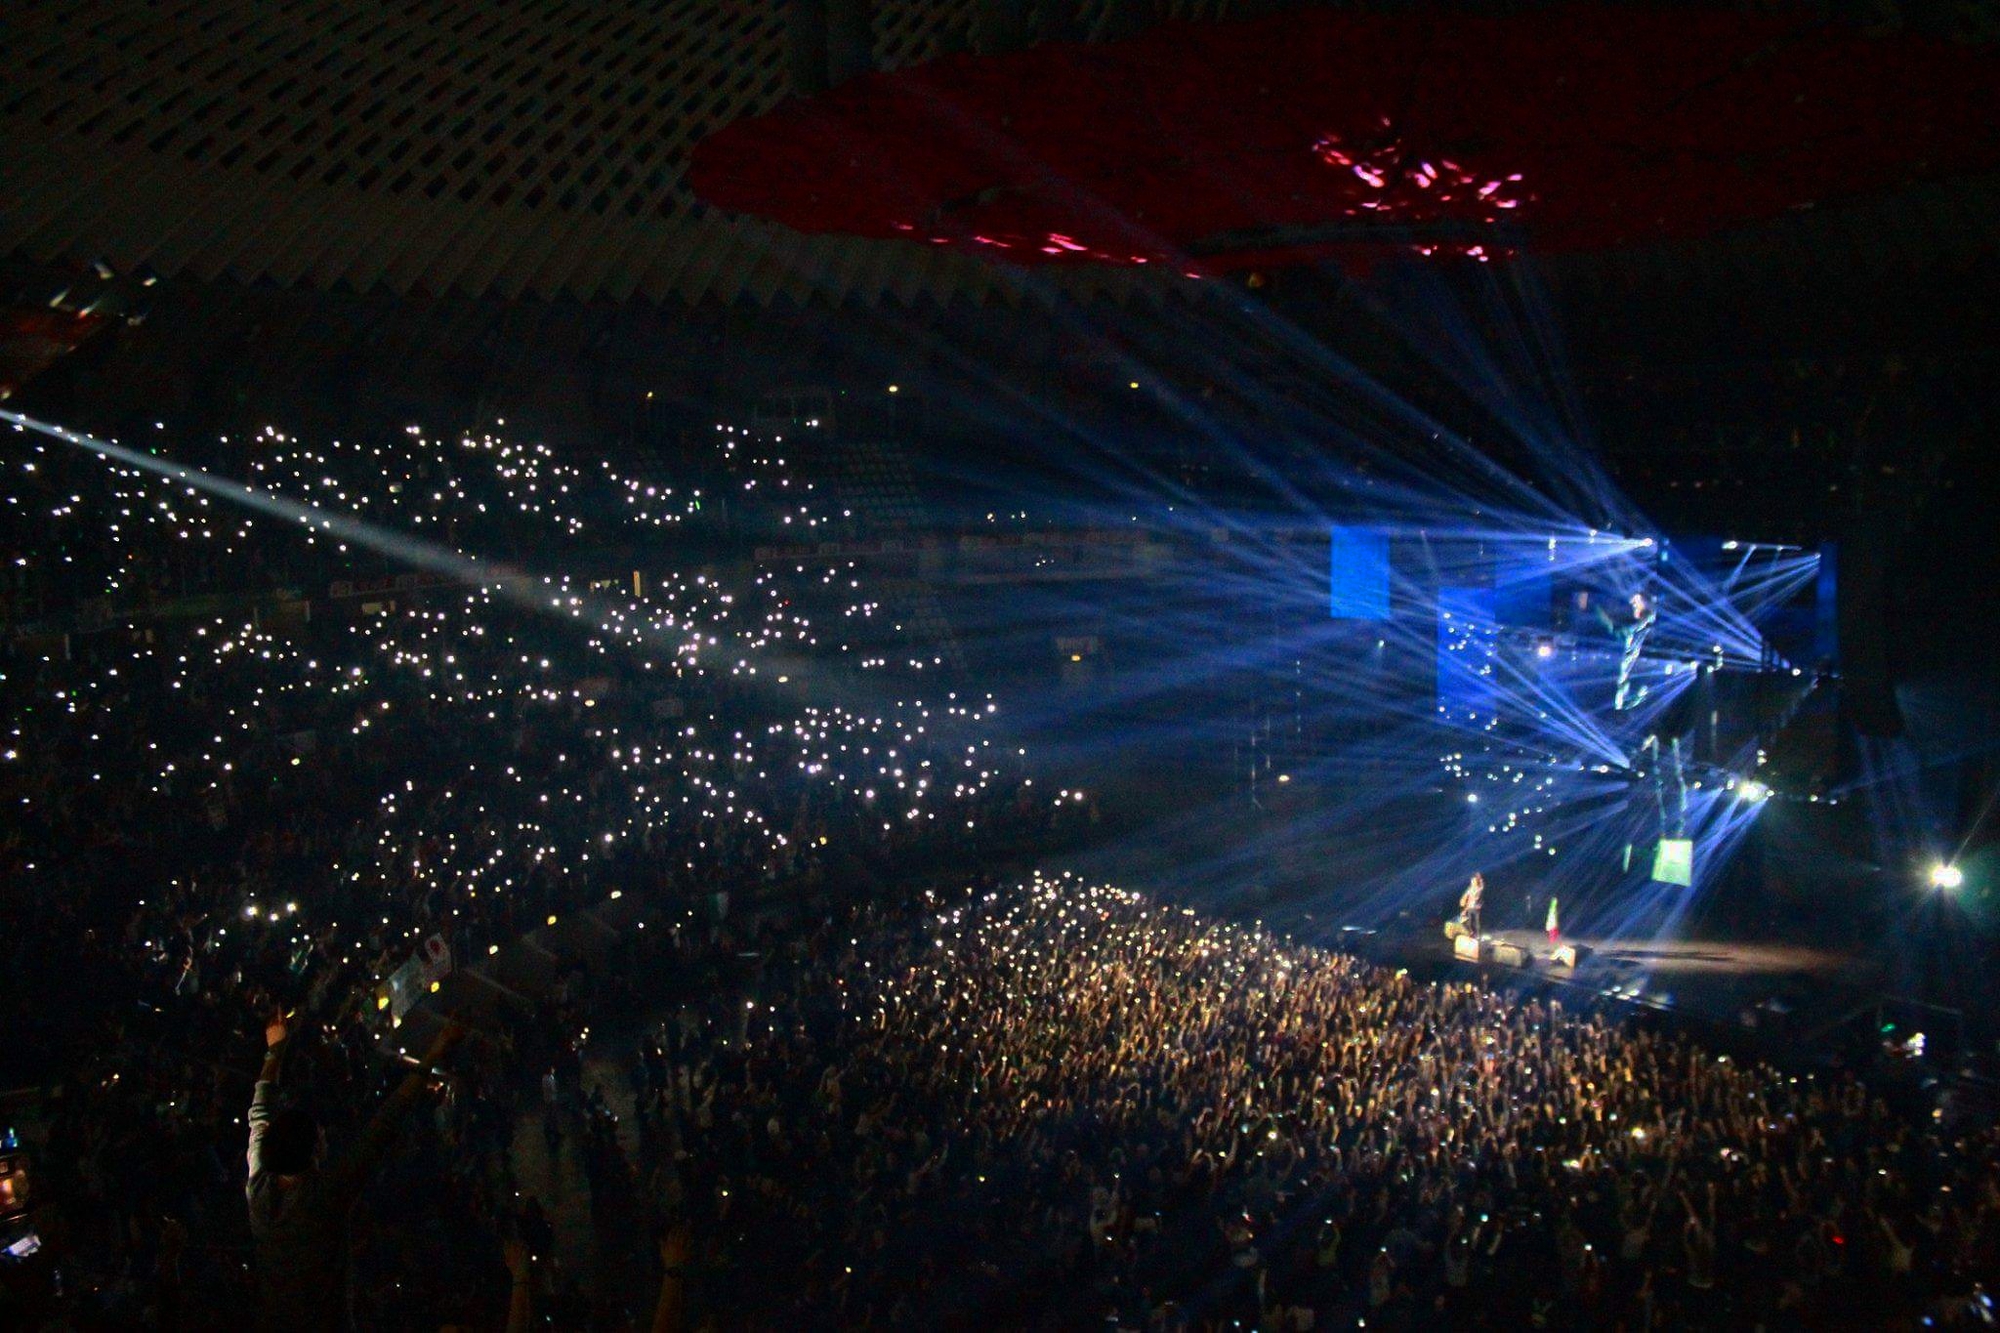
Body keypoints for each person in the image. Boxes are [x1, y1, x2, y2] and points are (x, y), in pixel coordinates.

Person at [246, 1012, 467, 1332]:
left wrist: (275, 1051)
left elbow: (259, 1112)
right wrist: (436, 1051)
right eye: (319, 1135)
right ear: (313, 1153)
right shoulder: (324, 1196)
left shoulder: (258, 1187)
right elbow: (385, 1123)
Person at [1458, 873, 1485, 938]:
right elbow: (1467, 897)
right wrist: (1464, 908)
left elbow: (1481, 887)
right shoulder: (1470, 889)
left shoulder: (1478, 888)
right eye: (1472, 881)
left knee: (1476, 922)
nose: (1472, 882)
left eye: (1474, 881)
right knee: (1468, 921)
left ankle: (1477, 935)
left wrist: (1480, 879)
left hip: (1476, 907)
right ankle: (1470, 933)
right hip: (1470, 907)